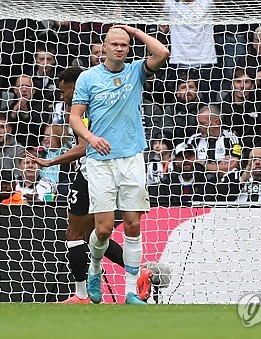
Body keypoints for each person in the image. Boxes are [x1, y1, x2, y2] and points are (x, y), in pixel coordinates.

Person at [28, 66, 157, 304]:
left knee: (75, 233)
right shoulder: (99, 102)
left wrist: (51, 161)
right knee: (96, 234)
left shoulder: (85, 107)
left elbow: (83, 147)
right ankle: (139, 275)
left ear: (75, 86)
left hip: (92, 175)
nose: (62, 96)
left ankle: (82, 294)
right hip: (108, 174)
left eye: (63, 90)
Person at [69, 25, 169, 304]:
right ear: (104, 48)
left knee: (133, 224)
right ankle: (95, 267)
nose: (119, 48)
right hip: (99, 161)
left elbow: (162, 51)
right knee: (102, 229)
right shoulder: (88, 78)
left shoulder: (136, 71)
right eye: (114, 44)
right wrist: (90, 137)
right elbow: (75, 117)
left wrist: (134, 32)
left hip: (131, 157)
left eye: (124, 45)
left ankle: (129, 292)